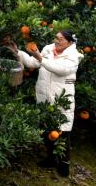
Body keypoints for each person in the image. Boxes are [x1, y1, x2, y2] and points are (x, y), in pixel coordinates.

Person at [8, 31, 83, 177]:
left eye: (60, 39)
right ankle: (50, 159)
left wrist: (40, 58)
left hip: (62, 98)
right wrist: (18, 52)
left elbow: (61, 70)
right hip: (44, 97)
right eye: (56, 38)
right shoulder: (48, 48)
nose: (56, 41)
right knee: (47, 130)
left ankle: (64, 164)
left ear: (69, 42)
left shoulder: (73, 56)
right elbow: (32, 62)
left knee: (62, 131)